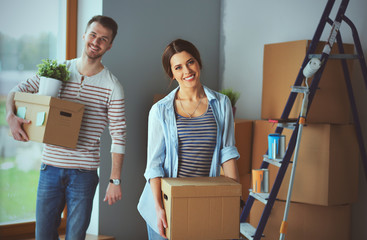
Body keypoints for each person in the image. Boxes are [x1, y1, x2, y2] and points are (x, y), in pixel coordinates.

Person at [5, 15, 126, 240]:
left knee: (75, 237)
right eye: (93, 35)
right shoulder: (58, 70)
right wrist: (10, 117)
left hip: (84, 174)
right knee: (43, 236)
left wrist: (115, 180)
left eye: (103, 39)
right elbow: (17, 90)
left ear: (109, 46)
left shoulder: (112, 86)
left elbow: (118, 135)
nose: (96, 41)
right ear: (84, 35)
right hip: (50, 167)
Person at [137, 39, 240, 240]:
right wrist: (159, 209)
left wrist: (234, 198)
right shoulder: (160, 110)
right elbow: (154, 166)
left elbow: (227, 152)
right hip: (166, 204)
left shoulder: (221, 104)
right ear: (172, 73)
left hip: (204, 201)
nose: (187, 70)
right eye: (178, 67)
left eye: (190, 62)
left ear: (198, 62)